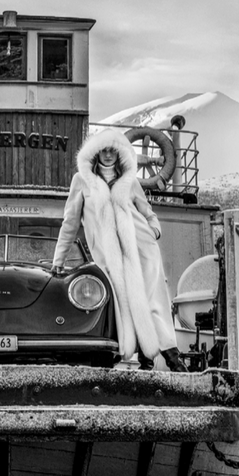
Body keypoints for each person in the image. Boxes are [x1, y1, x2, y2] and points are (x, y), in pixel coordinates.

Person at [51, 129, 178, 369]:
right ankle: (117, 353)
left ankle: (162, 357)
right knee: (117, 300)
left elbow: (146, 211)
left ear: (119, 153)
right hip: (107, 255)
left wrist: (154, 230)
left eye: (113, 150)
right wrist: (59, 258)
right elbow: (70, 222)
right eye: (104, 150)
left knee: (148, 299)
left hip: (140, 247)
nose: (109, 155)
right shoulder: (81, 180)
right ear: (96, 152)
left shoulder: (129, 180)